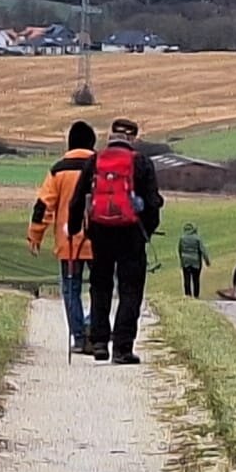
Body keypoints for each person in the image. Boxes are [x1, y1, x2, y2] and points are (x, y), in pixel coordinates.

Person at [65, 116, 162, 363]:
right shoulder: (142, 163)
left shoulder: (95, 161)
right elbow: (152, 203)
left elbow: (77, 199)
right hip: (131, 233)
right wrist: (146, 232)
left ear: (111, 136)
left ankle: (99, 342)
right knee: (130, 290)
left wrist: (77, 228)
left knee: (100, 286)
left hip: (100, 231)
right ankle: (122, 348)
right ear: (132, 138)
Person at [28, 121, 97, 354]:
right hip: (100, 241)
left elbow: (42, 206)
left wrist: (35, 235)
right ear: (92, 143)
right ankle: (92, 327)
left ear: (70, 143)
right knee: (102, 288)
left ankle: (79, 337)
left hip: (68, 242)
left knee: (70, 289)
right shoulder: (101, 167)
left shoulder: (58, 170)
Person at [177, 221, 210, 298]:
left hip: (185, 261)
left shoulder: (182, 238)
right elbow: (203, 250)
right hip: (196, 262)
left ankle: (188, 295)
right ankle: (196, 295)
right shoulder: (197, 238)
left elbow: (179, 250)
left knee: (186, 279)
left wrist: (182, 260)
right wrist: (207, 261)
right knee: (196, 279)